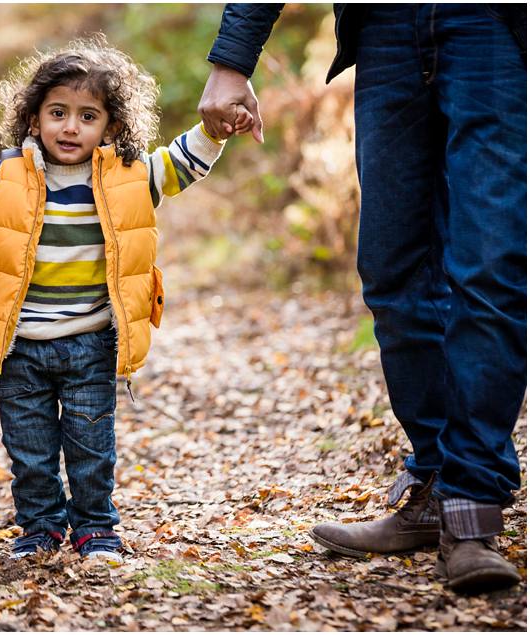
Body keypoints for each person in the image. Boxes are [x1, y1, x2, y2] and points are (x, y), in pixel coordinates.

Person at [199, 4, 526, 592]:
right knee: (392, 270)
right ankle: (434, 481)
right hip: (386, 29)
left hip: (493, 25)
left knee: (490, 267)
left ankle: (472, 506)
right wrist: (232, 57)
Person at [0, 37, 236, 562]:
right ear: (34, 118)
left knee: (90, 450)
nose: (70, 126)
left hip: (91, 343)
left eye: (88, 116)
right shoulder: (9, 176)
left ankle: (96, 528)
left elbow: (181, 164)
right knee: (31, 454)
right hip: (20, 347)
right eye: (57, 112)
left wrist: (214, 131)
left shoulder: (130, 177)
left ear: (110, 127)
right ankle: (39, 529)